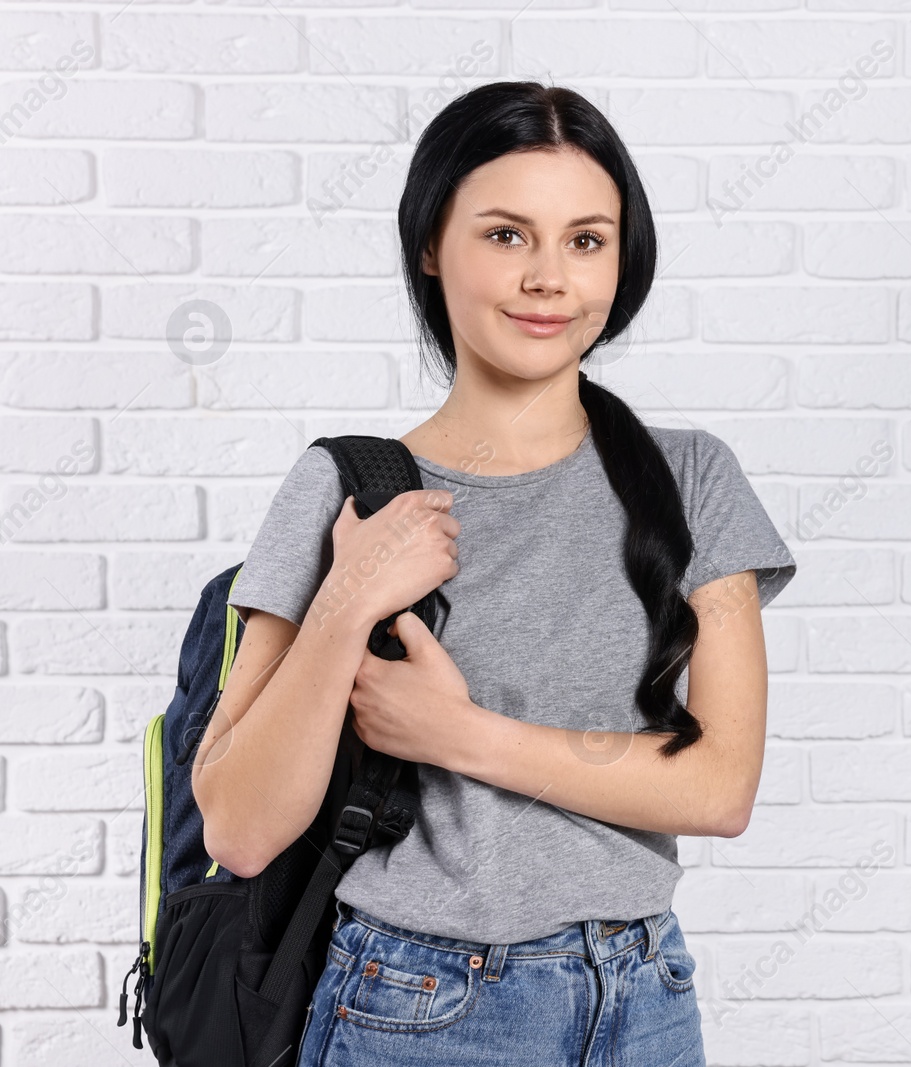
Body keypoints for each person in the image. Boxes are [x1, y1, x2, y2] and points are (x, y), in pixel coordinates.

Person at [190, 80, 797, 1067]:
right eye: (507, 235)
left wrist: (456, 732)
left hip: (644, 998)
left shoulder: (694, 477)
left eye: (585, 239)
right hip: (416, 1004)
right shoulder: (346, 486)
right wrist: (347, 600)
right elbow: (242, 828)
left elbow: (720, 787)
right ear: (433, 245)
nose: (549, 277)